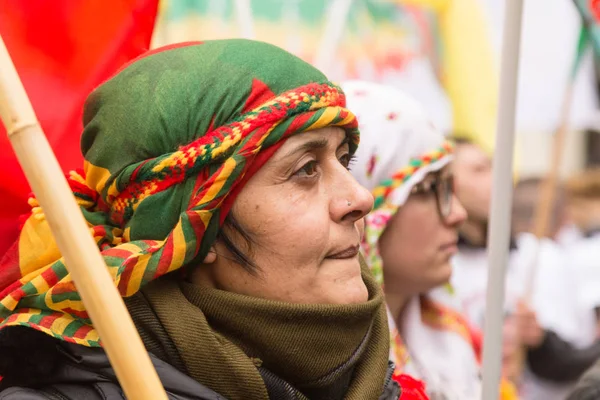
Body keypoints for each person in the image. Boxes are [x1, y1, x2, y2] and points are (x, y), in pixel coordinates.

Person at [0, 40, 408, 400]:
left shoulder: (388, 384)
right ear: (194, 228)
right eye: (305, 169)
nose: (359, 198)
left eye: (344, 159)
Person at [343, 80, 517, 399]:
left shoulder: (460, 342)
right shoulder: (330, 372)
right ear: (362, 213)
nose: (457, 214)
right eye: (426, 190)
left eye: (450, 189)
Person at [445, 137, 597, 399]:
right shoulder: (440, 265)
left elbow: (578, 358)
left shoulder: (539, 254)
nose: (497, 177)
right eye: (479, 170)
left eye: (493, 166)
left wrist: (541, 341)